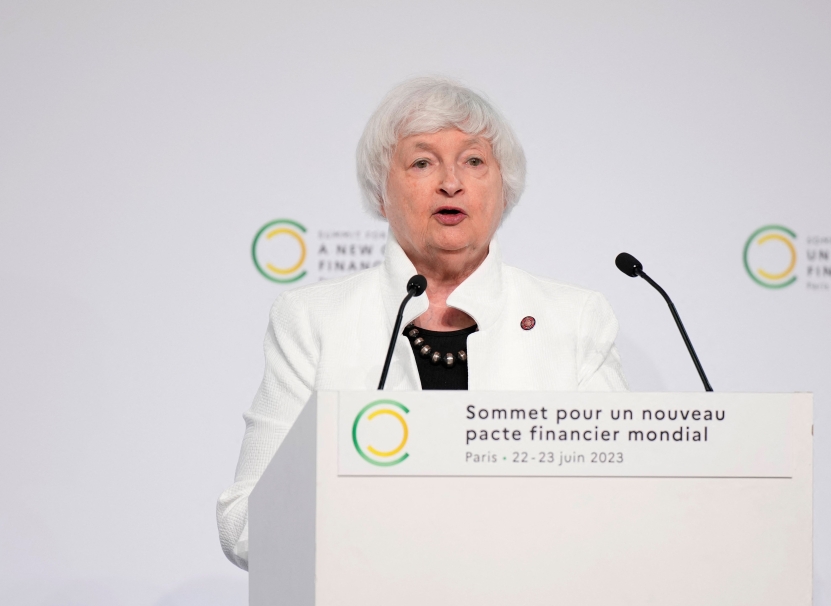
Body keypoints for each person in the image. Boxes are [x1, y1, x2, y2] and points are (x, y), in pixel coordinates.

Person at [217, 77, 628, 569]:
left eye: (474, 161)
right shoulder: (314, 320)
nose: (450, 182)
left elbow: (620, 496)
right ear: (381, 193)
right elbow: (246, 526)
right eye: (422, 162)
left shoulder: (573, 319)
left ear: (504, 189)